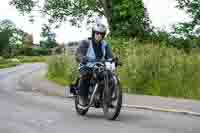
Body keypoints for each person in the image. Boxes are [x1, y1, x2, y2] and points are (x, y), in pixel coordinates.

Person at [75, 22, 113, 106]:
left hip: (99, 67)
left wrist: (114, 60)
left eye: (101, 34)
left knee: (110, 77)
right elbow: (79, 53)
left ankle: (106, 98)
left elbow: (109, 56)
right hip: (86, 66)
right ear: (93, 33)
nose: (99, 35)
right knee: (87, 75)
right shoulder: (86, 42)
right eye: (97, 33)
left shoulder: (105, 44)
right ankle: (82, 97)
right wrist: (82, 58)